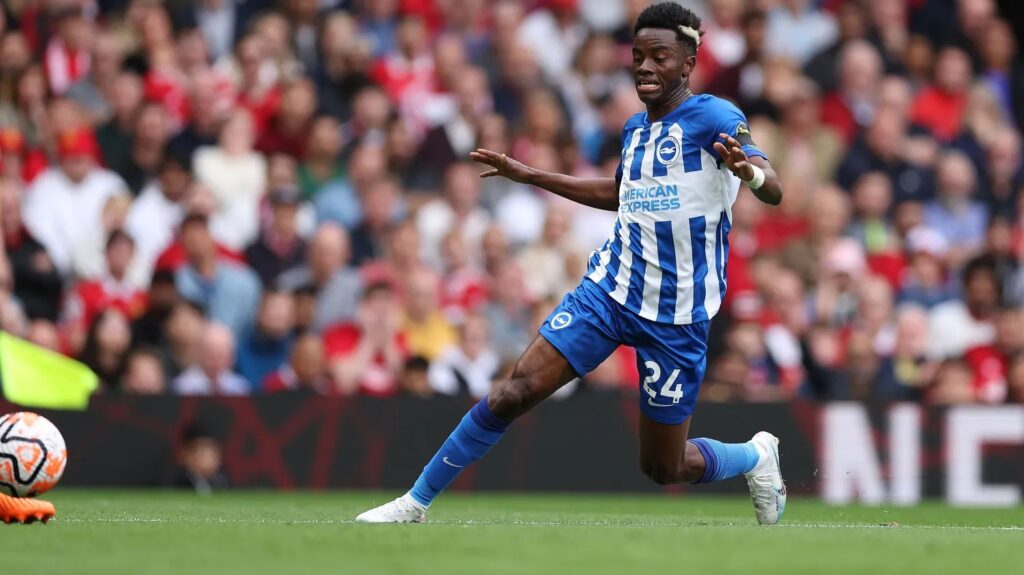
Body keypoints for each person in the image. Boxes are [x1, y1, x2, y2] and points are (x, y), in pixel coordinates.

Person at [357, 3, 786, 525]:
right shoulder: (635, 130)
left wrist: (751, 174)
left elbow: (772, 186)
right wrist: (532, 176)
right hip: (609, 291)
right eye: (638, 57)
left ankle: (755, 456)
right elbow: (622, 194)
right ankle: (415, 502)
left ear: (688, 64)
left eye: (659, 57)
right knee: (516, 390)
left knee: (664, 466)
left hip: (677, 314)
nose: (645, 67)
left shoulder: (715, 116)